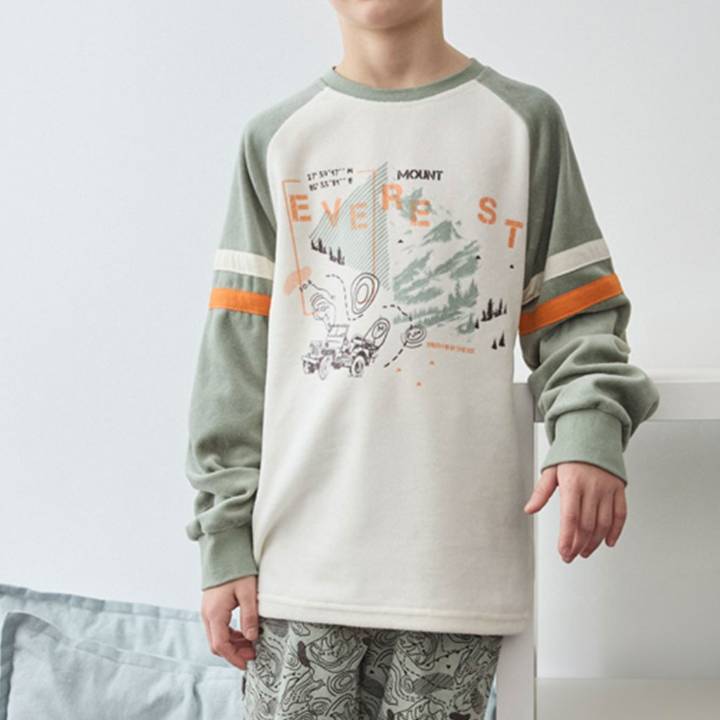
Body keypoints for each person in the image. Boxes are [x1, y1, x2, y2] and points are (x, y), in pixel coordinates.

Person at [183, 1, 661, 717]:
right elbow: (235, 357)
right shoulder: (276, 140)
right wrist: (223, 538)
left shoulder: (522, 124)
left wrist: (590, 429)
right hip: (298, 572)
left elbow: (577, 317)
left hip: (454, 573)